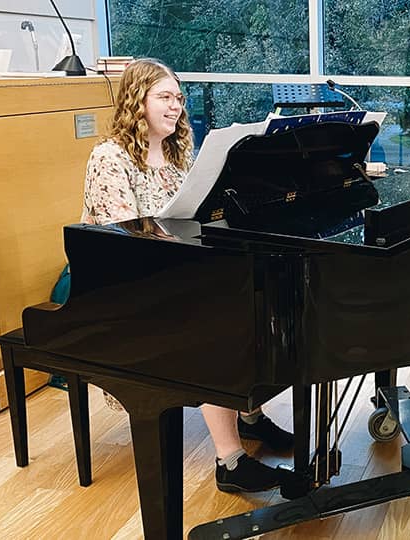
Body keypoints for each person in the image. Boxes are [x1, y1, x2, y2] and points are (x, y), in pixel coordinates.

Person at [81, 58, 293, 493]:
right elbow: (128, 240)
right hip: (125, 285)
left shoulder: (178, 156)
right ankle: (230, 462)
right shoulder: (109, 156)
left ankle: (249, 415)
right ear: (135, 100)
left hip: (175, 273)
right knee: (219, 319)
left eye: (179, 97)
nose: (175, 106)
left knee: (260, 299)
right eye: (164, 96)